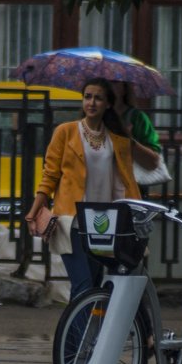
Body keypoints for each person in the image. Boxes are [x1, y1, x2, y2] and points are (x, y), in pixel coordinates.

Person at [25, 77, 142, 300]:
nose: (91, 102)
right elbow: (49, 176)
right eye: (87, 97)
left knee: (96, 286)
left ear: (108, 104)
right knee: (83, 285)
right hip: (72, 222)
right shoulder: (65, 132)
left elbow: (127, 184)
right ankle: (80, 335)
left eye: (98, 98)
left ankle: (83, 335)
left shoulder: (117, 141)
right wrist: (33, 213)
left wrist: (134, 217)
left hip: (104, 224)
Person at [109, 80, 162, 197]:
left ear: (124, 88)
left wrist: (128, 139)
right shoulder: (95, 117)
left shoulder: (137, 118)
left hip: (130, 187)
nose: (110, 86)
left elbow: (152, 160)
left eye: (115, 82)